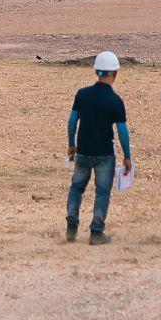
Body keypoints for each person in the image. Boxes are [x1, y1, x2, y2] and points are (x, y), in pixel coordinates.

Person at [67, 50, 130, 245]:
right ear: (115, 74)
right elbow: (122, 131)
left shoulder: (82, 94)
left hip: (83, 151)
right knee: (102, 192)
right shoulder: (116, 101)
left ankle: (71, 227)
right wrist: (127, 155)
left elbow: (72, 121)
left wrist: (71, 144)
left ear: (96, 71)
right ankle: (96, 231)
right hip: (105, 154)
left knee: (77, 188)